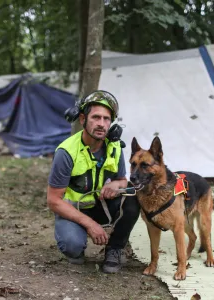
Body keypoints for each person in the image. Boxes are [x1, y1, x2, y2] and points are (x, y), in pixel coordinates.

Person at [46, 90, 140, 274]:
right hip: (74, 209)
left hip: (101, 206)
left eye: (106, 119)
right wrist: (90, 225)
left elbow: (123, 180)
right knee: (73, 249)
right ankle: (76, 237)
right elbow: (53, 200)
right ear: (82, 119)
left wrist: (117, 184)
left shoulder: (115, 147)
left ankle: (115, 248)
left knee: (133, 197)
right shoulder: (66, 153)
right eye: (96, 117)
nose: (101, 124)